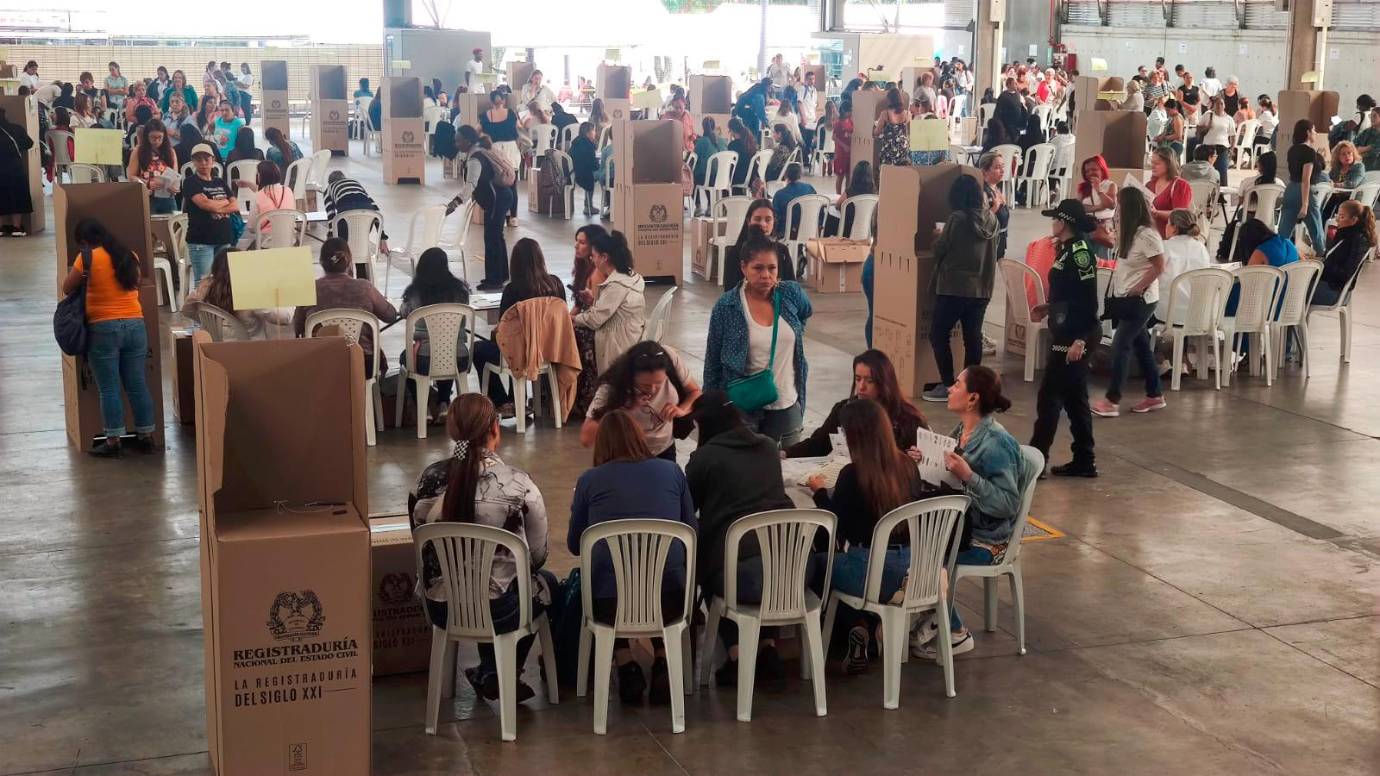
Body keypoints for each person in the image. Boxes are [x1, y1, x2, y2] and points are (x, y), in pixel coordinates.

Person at [409, 394, 553, 702]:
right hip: (498, 612)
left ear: (451, 430)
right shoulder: (518, 483)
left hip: (442, 608)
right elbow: (537, 557)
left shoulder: (427, 480)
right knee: (542, 583)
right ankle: (499, 671)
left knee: (498, 585)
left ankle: (490, 672)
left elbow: (420, 544)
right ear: (495, 429)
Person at [569, 409, 697, 703]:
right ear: (640, 438)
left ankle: (626, 664)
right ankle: (664, 659)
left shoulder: (589, 481)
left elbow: (577, 545)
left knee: (612, 573)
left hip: (611, 604)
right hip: (671, 598)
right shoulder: (672, 472)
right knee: (653, 571)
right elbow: (691, 531)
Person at [910, 366, 1026, 660]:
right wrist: (927, 460)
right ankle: (926, 617)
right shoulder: (963, 431)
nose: (949, 388)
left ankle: (956, 631)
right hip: (960, 527)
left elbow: (1007, 504)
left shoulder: (997, 443)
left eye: (956, 384)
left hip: (985, 538)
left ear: (972, 398)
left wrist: (969, 476)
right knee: (910, 544)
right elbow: (947, 475)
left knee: (924, 557)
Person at [685, 391, 797, 684]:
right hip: (791, 570)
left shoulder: (703, 458)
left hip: (743, 575)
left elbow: (687, 511)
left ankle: (736, 654)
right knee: (762, 553)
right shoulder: (768, 448)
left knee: (710, 566)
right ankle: (768, 646)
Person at [808, 398, 926, 672]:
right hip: (912, 572)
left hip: (869, 572)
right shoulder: (908, 467)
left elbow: (835, 525)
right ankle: (866, 628)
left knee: (815, 564)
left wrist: (819, 492)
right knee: (846, 567)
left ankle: (844, 632)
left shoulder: (853, 474)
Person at [59, 219, 156, 457]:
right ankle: (146, 436)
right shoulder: (129, 255)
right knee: (136, 384)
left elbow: (66, 288)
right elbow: (137, 285)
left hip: (103, 328)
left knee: (109, 388)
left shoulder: (87, 258)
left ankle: (113, 440)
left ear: (84, 241)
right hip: (136, 325)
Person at [704, 234, 813, 446]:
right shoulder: (727, 307)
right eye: (758, 268)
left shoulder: (790, 294)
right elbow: (712, 362)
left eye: (772, 268)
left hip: (786, 404)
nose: (766, 275)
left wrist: (793, 334)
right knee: (745, 471)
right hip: (743, 407)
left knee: (787, 470)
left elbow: (805, 312)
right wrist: (710, 409)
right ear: (744, 267)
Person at [1026, 200, 1101, 477]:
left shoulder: (1080, 253)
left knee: (1050, 397)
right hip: (1068, 330)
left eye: (1056, 218)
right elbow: (1068, 294)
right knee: (1074, 399)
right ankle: (1084, 459)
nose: (1052, 222)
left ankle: (1036, 461)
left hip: (1074, 335)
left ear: (1065, 222)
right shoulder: (1067, 250)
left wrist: (1079, 340)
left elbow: (1087, 301)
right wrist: (1049, 307)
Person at [922, 175, 1000, 402]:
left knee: (938, 334)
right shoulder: (992, 220)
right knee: (972, 338)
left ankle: (947, 384)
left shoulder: (957, 219)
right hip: (982, 288)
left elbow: (940, 250)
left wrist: (937, 236)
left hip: (954, 287)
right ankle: (970, 387)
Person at [1092, 188, 1167, 418]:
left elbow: (1159, 265)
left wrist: (1140, 286)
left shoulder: (1146, 235)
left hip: (1140, 301)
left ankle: (1112, 399)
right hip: (1127, 299)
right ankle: (1155, 394)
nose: (1116, 211)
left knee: (1120, 345)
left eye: (1119, 207)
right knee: (1142, 346)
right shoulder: (1129, 233)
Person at [471, 238, 566, 412]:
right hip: (549, 349)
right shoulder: (556, 284)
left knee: (479, 350)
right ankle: (520, 399)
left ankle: (502, 401)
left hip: (521, 352)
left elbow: (504, 329)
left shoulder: (512, 290)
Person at [787, 349, 927, 458]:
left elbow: (925, 457)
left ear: (884, 382)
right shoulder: (844, 409)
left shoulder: (908, 419)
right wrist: (785, 453)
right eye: (858, 379)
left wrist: (913, 456)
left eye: (869, 381)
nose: (861, 387)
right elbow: (819, 443)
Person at [292, 238, 398, 377]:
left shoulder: (309, 290)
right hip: (363, 363)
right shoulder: (365, 288)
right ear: (349, 262)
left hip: (321, 364)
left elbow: (298, 329)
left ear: (322, 262)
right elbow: (390, 316)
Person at [581, 342, 702, 461]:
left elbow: (695, 392)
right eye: (645, 385)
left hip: (665, 449)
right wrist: (624, 411)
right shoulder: (611, 387)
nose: (653, 389)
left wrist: (682, 410)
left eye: (660, 383)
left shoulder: (669, 358)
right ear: (631, 375)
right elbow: (586, 438)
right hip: (626, 455)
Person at [399, 247, 472, 417]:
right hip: (459, 357)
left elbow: (404, 312)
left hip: (424, 359)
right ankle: (444, 402)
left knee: (406, 357)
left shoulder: (414, 292)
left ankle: (423, 406)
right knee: (446, 351)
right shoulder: (460, 291)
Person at [446, 126, 517, 291]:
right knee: (497, 236)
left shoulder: (475, 159)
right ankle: (502, 275)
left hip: (496, 200)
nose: (456, 144)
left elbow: (471, 184)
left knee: (491, 238)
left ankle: (494, 280)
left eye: (458, 140)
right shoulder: (481, 151)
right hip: (503, 196)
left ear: (468, 141)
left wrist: (456, 202)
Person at [573, 230, 647, 375]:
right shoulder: (631, 275)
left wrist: (574, 318)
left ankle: (582, 390)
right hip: (633, 332)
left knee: (576, 340)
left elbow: (595, 320)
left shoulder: (615, 285)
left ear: (604, 257)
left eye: (593, 256)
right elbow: (612, 309)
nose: (592, 259)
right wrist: (593, 302)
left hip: (619, 343)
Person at [181, 248, 290, 339]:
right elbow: (285, 317)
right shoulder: (250, 291)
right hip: (250, 353)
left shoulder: (205, 287)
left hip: (213, 351)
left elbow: (187, 311)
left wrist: (209, 320)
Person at [182, 143, 237, 282]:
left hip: (223, 238)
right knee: (204, 283)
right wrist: (225, 202)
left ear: (213, 160)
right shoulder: (190, 182)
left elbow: (235, 205)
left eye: (207, 159)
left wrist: (216, 205)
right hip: (201, 241)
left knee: (223, 282)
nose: (203, 163)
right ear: (193, 162)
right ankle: (199, 305)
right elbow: (204, 204)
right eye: (199, 160)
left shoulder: (220, 182)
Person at [1278, 119, 1327, 255]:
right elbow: (1306, 178)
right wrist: (1305, 203)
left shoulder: (1292, 150)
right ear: (1308, 132)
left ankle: (1279, 256)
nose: (1316, 133)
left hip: (1291, 189)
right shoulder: (1309, 152)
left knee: (1284, 231)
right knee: (1316, 230)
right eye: (1314, 130)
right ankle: (1322, 258)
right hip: (1305, 192)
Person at [722, 199, 796, 288]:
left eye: (768, 219)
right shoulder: (735, 253)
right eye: (757, 219)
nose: (763, 224)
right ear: (749, 221)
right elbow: (729, 290)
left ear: (774, 221)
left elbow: (792, 286)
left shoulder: (782, 251)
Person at [1312, 201, 1376, 306]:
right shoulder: (1345, 234)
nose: (1337, 220)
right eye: (1337, 215)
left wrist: (1322, 264)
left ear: (1354, 220)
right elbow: (1333, 258)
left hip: (1334, 291)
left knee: (1291, 290)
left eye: (1341, 217)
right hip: (1329, 285)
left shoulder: (1357, 240)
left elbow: (1345, 274)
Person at [1158, 209, 1212, 323]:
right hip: (1196, 312)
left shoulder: (1165, 247)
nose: (1165, 227)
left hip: (1168, 312)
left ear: (1174, 227)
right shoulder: (1201, 248)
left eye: (1168, 223)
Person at [480, 90, 522, 228]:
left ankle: (502, 217)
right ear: (503, 100)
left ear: (491, 101)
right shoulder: (511, 113)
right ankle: (514, 217)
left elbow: (477, 130)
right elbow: (520, 129)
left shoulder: (485, 115)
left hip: (494, 150)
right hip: (511, 149)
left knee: (497, 184)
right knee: (512, 184)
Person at [127, 120, 179, 216]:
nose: (156, 141)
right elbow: (131, 177)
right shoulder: (139, 151)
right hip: (148, 196)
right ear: (146, 137)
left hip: (167, 196)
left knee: (172, 225)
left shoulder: (170, 151)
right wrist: (148, 183)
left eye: (160, 137)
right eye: (153, 138)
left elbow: (175, 175)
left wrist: (174, 186)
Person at [1146, 147, 1193, 236]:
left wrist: (1157, 213)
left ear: (1168, 164)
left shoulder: (1180, 186)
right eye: (1152, 163)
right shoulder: (1149, 185)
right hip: (1151, 236)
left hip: (1171, 239)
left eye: (1157, 163)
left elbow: (1181, 216)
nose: (1152, 166)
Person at [243, 160, 293, 238]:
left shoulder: (258, 196)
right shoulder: (288, 191)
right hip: (289, 240)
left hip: (267, 243)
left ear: (260, 176)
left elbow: (251, 227)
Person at [978, 151, 1011, 259]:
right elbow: (979, 221)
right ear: (984, 171)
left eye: (1003, 166)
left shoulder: (996, 188)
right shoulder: (982, 193)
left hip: (1001, 237)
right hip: (990, 241)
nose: (1002, 171)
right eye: (997, 167)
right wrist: (995, 208)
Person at [1322, 140, 1366, 222]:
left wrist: (1335, 185)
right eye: (1343, 154)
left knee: (1336, 208)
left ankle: (1334, 230)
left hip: (1353, 199)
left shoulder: (1359, 166)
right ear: (1338, 157)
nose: (1347, 156)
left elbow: (1352, 184)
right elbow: (1328, 180)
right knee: (1323, 207)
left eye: (1349, 153)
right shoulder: (1336, 169)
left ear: (1353, 154)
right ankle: (1323, 231)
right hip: (1337, 197)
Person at [770, 163, 815, 237]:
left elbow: (775, 217)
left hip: (786, 233)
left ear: (785, 175)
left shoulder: (779, 195)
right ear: (800, 175)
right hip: (809, 231)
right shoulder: (809, 188)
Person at [1198, 96, 1234, 185]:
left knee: (1222, 171)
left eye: (1222, 104)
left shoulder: (1229, 119)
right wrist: (1206, 128)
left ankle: (1221, 195)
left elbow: (1232, 136)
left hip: (1222, 147)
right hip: (1208, 147)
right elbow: (1198, 129)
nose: (1219, 106)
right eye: (1217, 104)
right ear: (1214, 105)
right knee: (1206, 172)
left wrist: (1232, 149)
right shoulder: (1208, 115)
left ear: (1224, 105)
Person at [874, 88, 911, 168]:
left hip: (889, 148)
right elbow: (909, 132)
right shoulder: (908, 114)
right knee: (901, 172)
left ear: (889, 100)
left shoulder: (885, 114)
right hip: (903, 147)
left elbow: (877, 132)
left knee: (887, 174)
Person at [570, 121, 601, 216]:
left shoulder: (576, 142)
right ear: (588, 133)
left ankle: (588, 204)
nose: (595, 133)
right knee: (604, 175)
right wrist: (600, 164)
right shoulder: (588, 145)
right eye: (594, 131)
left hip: (575, 172)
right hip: (584, 174)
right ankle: (592, 205)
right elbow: (593, 165)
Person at [692, 116, 728, 189]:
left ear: (703, 127)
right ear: (714, 126)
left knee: (691, 176)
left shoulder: (701, 142)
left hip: (708, 179)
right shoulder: (723, 141)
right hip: (723, 178)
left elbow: (694, 160)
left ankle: (698, 200)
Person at [995, 77, 1028, 143]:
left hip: (1018, 121)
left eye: (1016, 83)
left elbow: (1021, 105)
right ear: (1009, 85)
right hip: (1007, 121)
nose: (1016, 85)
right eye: (1014, 83)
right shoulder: (1003, 96)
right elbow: (999, 110)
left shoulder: (1017, 94)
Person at [832, 102, 854, 195]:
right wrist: (844, 146)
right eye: (850, 111)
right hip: (841, 152)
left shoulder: (850, 121)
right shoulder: (838, 123)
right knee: (840, 176)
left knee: (848, 176)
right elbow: (834, 137)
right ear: (845, 111)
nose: (851, 113)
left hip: (850, 152)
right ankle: (838, 195)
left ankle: (846, 195)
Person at [1356, 107, 1380, 171]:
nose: (1371, 118)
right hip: (1366, 168)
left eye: (1374, 116)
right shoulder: (1366, 132)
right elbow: (1354, 148)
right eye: (1370, 116)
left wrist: (1363, 150)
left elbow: (1375, 152)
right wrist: (1370, 147)